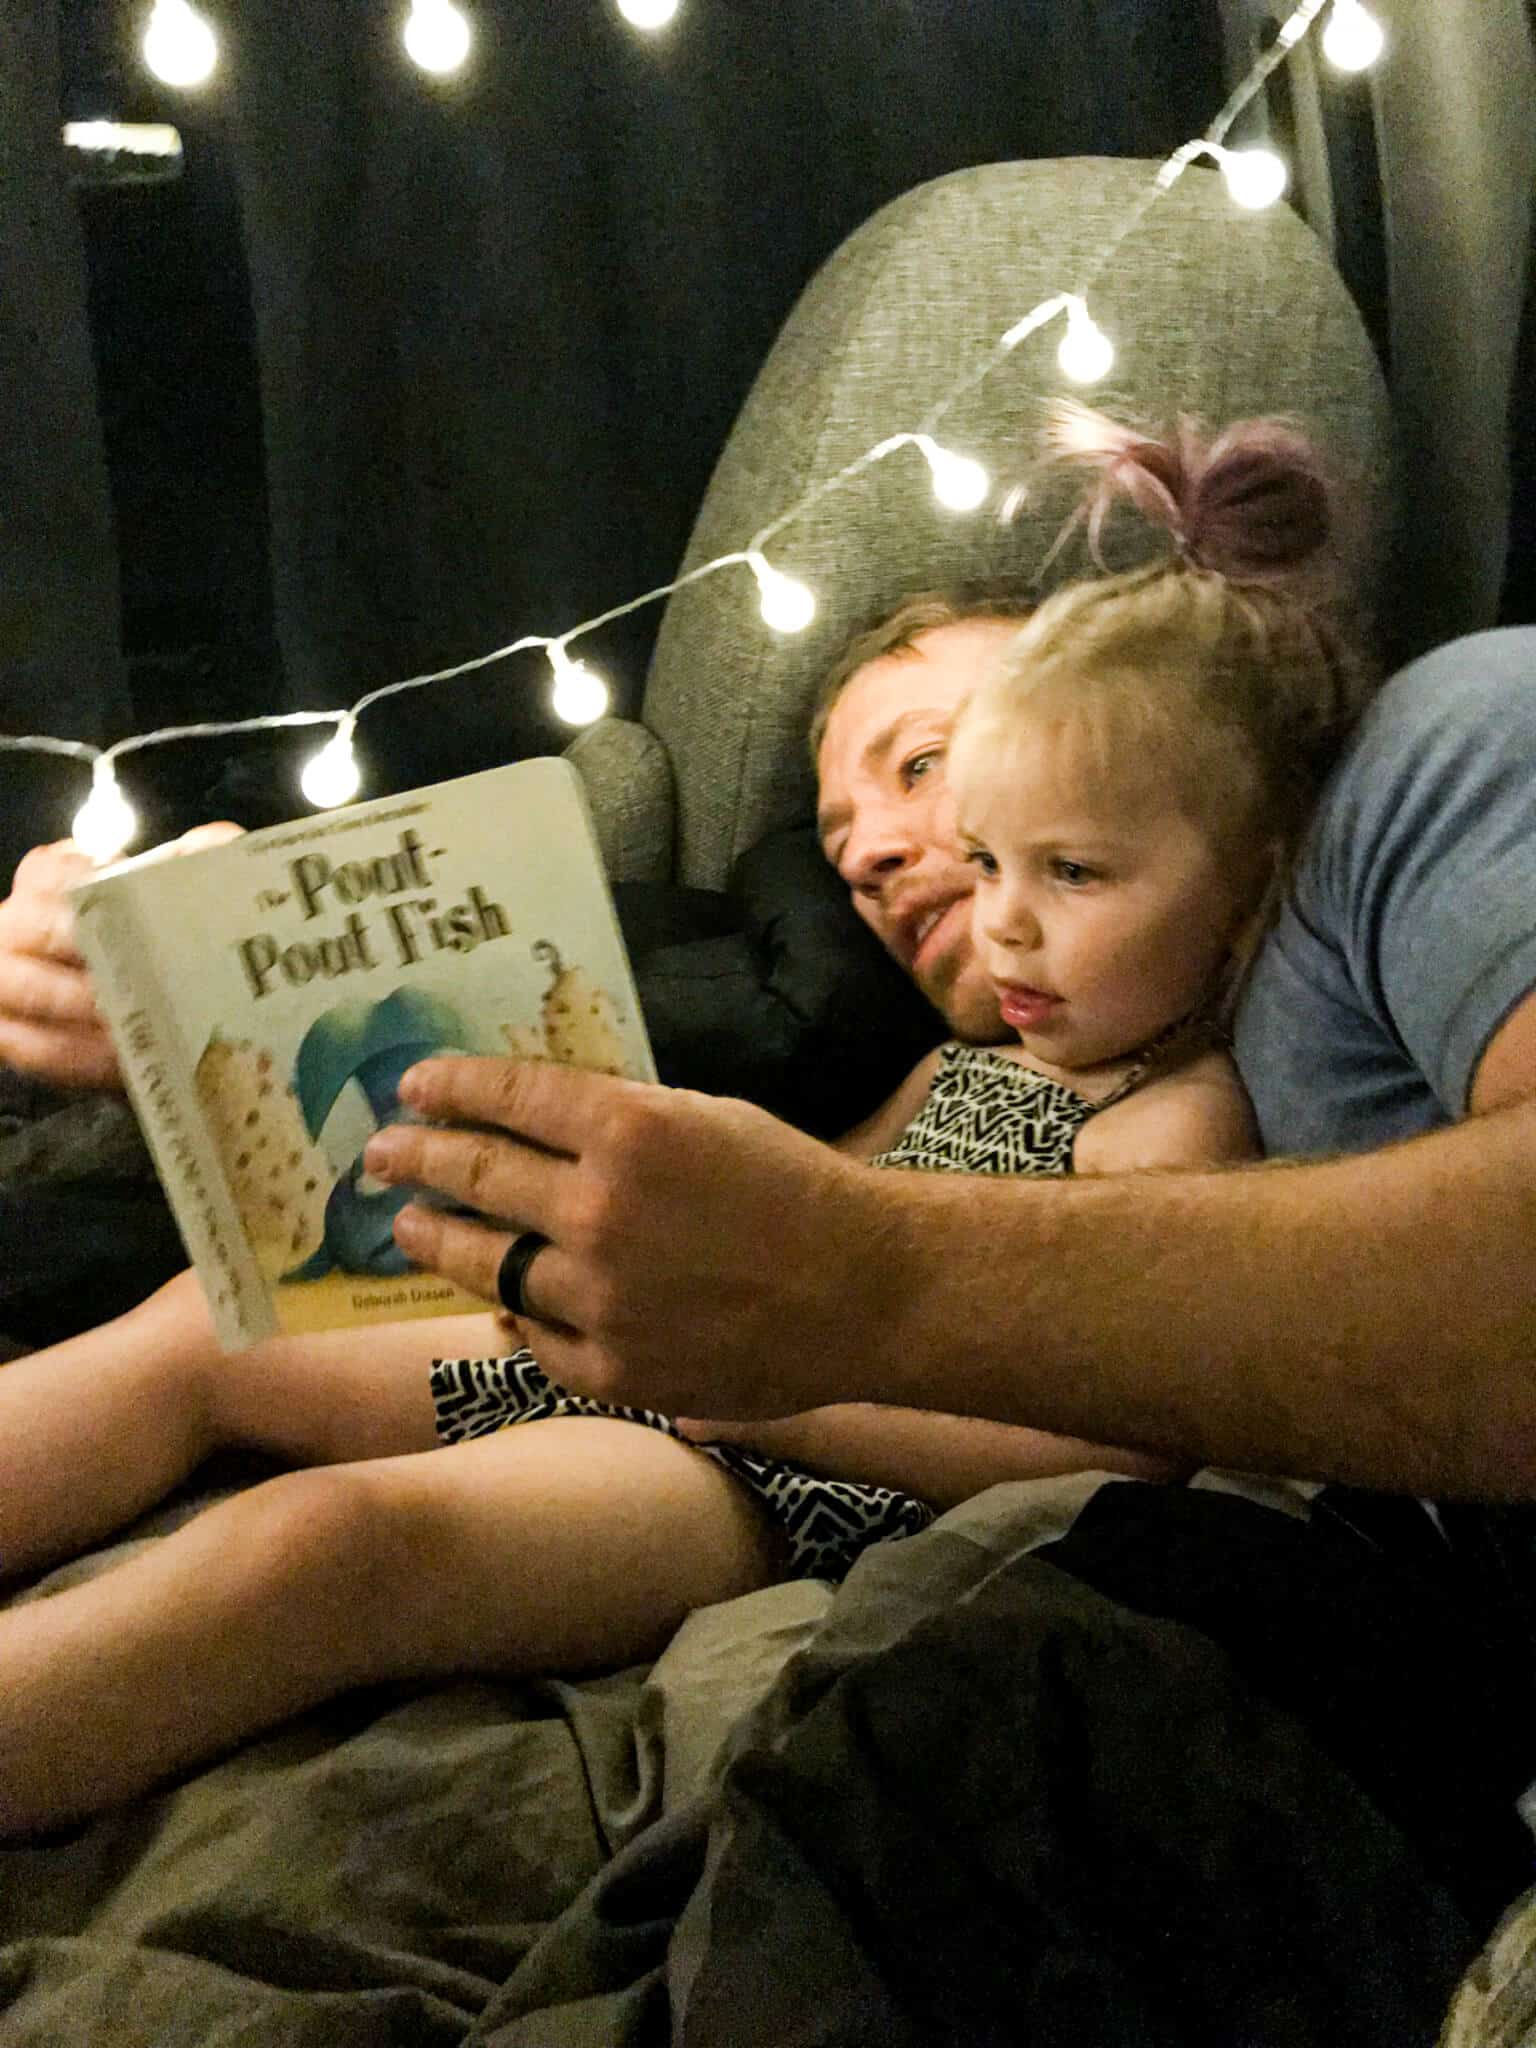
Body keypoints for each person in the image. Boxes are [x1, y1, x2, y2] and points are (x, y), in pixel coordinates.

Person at [0, 409, 1361, 1838]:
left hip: (773, 1464)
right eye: (846, 851)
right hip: (658, 1336)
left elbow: (1116, 1426)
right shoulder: (926, 1064)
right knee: (203, 1330)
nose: (891, 858)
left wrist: (770, 1362)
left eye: (924, 770)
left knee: (323, 1549)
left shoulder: (1173, 1114)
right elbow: (804, 1188)